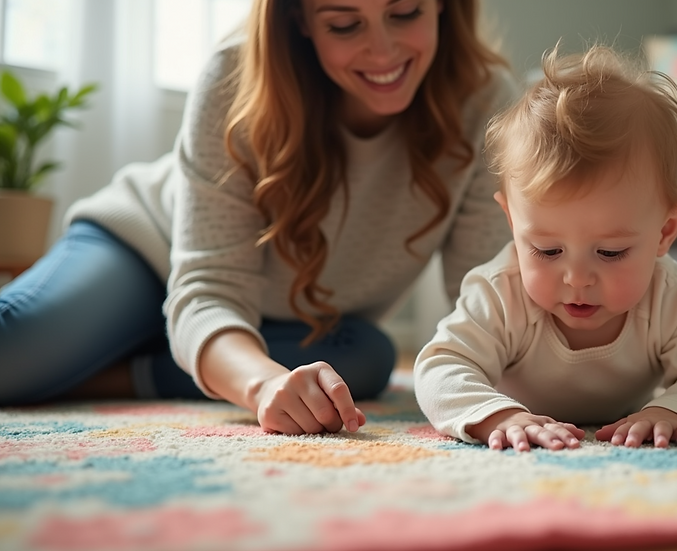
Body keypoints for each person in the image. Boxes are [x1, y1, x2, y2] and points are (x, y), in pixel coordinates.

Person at [0, 0, 519, 436]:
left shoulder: (486, 102)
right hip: (145, 253)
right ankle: (181, 348)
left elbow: (487, 297)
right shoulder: (233, 75)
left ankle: (149, 360)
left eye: (405, 12)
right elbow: (209, 288)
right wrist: (263, 385)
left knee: (364, 360)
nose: (383, 50)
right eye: (344, 23)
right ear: (298, 18)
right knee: (12, 353)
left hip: (287, 321)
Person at [414, 44, 677, 452]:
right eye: (546, 250)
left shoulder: (669, 295)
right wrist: (499, 416)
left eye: (610, 253)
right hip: (514, 409)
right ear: (511, 222)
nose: (577, 278)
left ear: (665, 231)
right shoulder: (499, 292)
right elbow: (440, 368)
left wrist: (676, 411)